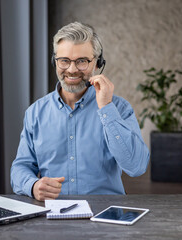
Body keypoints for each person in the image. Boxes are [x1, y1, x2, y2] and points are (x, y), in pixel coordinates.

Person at [10, 22, 149, 201]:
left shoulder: (119, 108)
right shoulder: (35, 113)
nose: (72, 69)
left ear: (98, 64)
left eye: (82, 61)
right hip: (52, 218)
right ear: (55, 62)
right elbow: (20, 168)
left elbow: (136, 166)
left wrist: (106, 109)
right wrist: (33, 185)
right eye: (64, 60)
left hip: (105, 217)